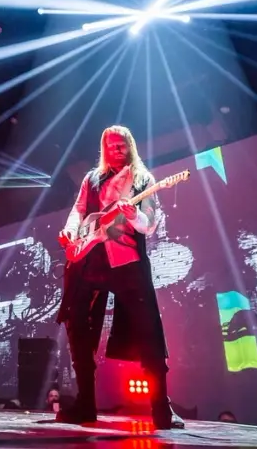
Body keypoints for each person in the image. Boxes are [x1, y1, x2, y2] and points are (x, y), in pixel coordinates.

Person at [55, 125, 184, 430]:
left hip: (126, 262)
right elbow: (78, 209)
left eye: (121, 144)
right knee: (78, 327)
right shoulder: (92, 178)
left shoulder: (144, 179)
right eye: (110, 145)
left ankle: (161, 408)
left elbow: (148, 225)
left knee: (148, 330)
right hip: (89, 260)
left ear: (130, 146)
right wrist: (71, 232)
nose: (116, 149)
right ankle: (85, 403)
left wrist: (133, 214)